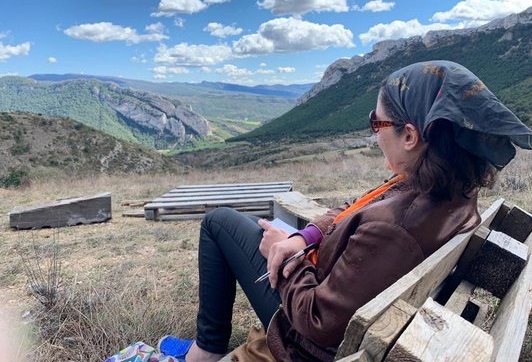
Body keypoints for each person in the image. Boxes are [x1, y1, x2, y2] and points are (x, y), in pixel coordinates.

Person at [159, 61, 532, 362]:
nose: (374, 133)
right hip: (327, 280)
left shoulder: (397, 229)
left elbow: (319, 321)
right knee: (227, 223)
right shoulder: (442, 188)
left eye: (377, 122)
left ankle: (205, 350)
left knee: (217, 222)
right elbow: (354, 207)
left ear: (409, 135)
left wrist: (285, 256)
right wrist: (302, 238)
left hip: (305, 336)